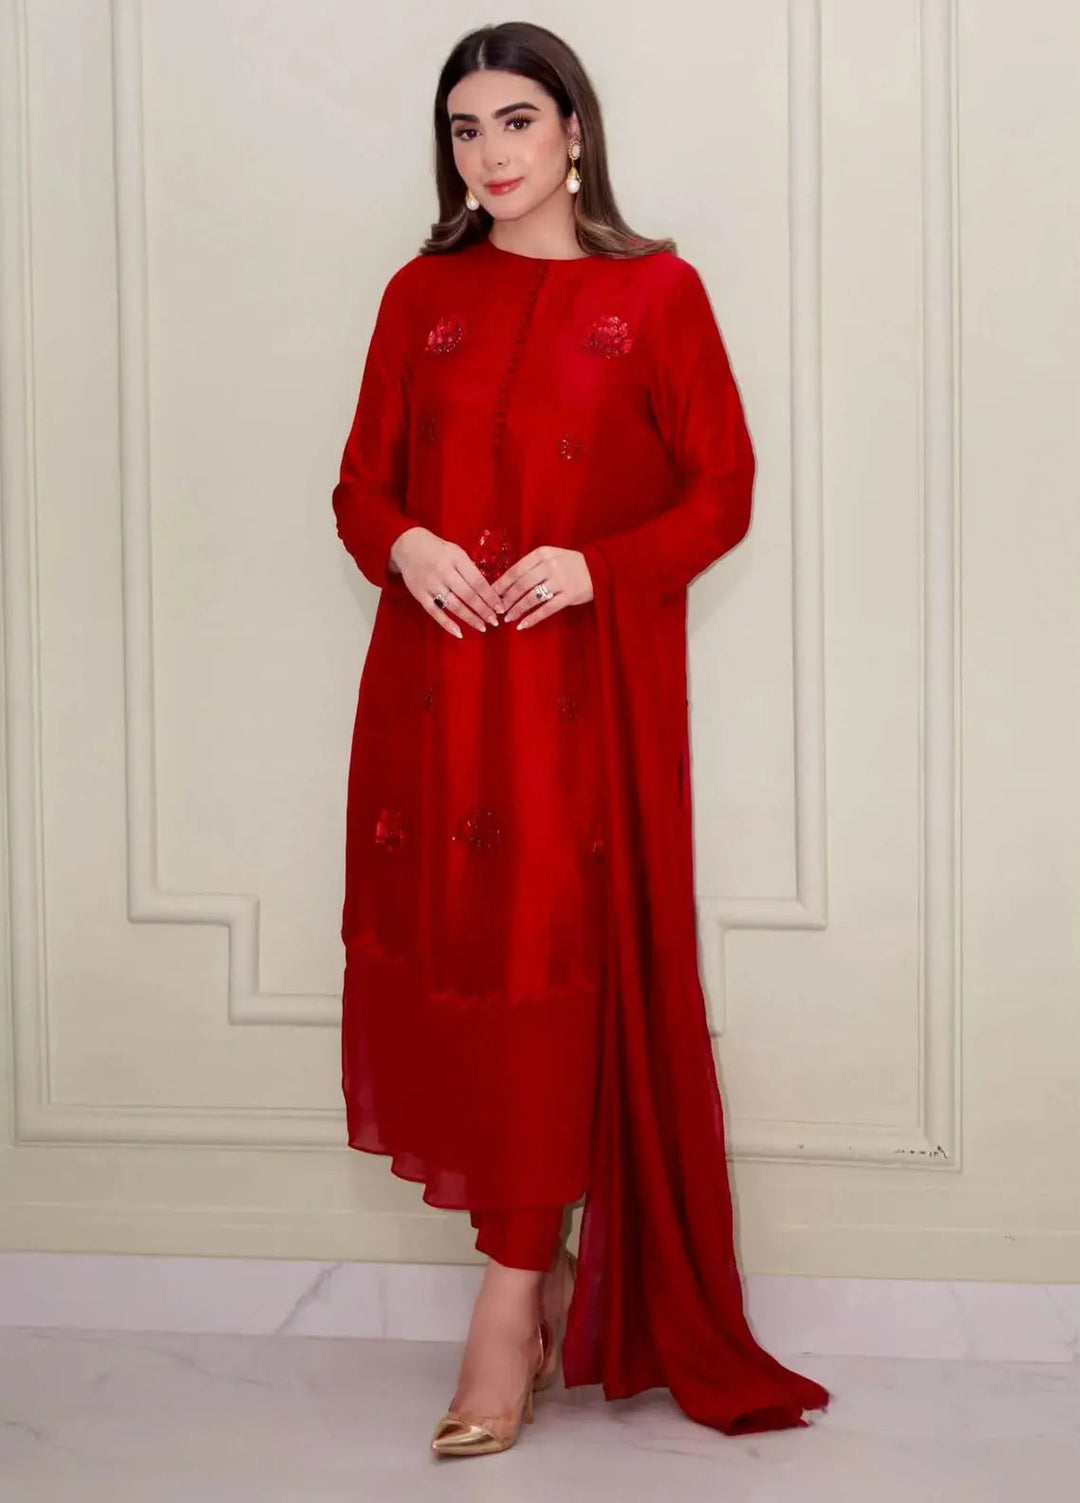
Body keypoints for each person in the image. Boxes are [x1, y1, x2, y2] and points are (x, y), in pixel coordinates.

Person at [331, 20, 831, 1459]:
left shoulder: (656, 294)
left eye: (515, 122)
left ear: (574, 132)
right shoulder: (419, 294)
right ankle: (524, 1273)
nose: (489, 154)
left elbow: (722, 490)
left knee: (553, 973)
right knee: (463, 970)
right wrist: (408, 543)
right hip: (435, 706)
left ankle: (510, 1303)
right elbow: (359, 487)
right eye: (464, 128)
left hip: (578, 711)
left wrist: (596, 567)